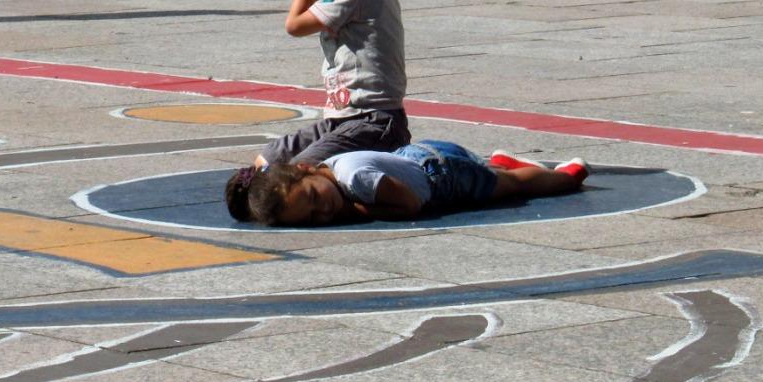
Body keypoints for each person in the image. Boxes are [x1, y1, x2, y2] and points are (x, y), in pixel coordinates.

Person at [224, 0, 409, 221]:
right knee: (270, 158)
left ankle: (327, 206)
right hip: (346, 119)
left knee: (300, 170)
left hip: (373, 123)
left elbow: (294, 24)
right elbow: (316, 6)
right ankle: (265, 195)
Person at [230, 140, 589, 226]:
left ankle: (565, 176)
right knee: (492, 174)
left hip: (441, 175)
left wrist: (361, 211)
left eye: (312, 196)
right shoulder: (331, 175)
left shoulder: (355, 181)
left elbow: (410, 204)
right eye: (310, 217)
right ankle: (497, 163)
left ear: (307, 169)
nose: (322, 209)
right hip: (418, 159)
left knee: (512, 186)